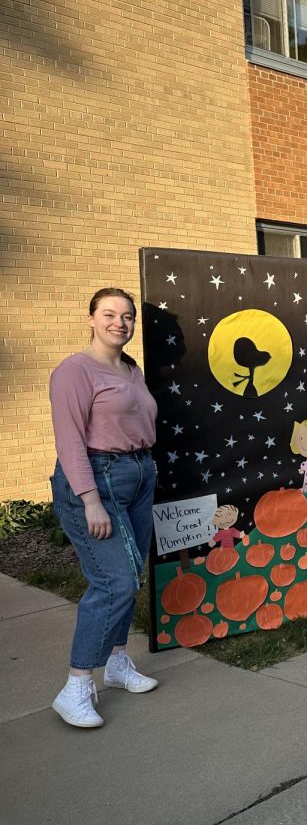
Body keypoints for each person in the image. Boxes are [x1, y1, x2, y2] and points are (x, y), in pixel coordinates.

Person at [48, 288, 159, 728]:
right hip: (97, 479)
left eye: (127, 316)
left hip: (139, 473)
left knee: (131, 574)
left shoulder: (131, 370)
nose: (120, 322)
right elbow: (69, 440)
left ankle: (116, 663)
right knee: (113, 581)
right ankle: (75, 685)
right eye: (109, 314)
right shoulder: (74, 371)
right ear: (91, 318)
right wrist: (90, 501)